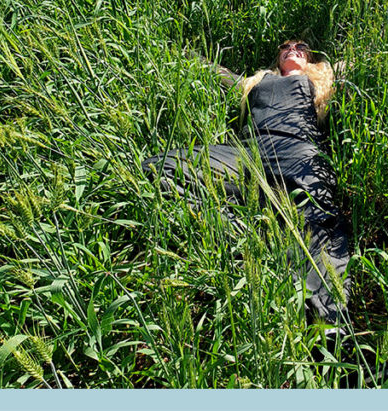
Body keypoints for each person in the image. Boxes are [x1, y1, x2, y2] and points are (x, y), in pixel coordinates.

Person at [142, 39, 352, 329]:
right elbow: (215, 70)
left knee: (317, 236)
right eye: (286, 46)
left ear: (312, 59)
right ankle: (248, 236)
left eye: (300, 46)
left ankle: (334, 337)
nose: (292, 48)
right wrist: (181, 49)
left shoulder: (323, 77)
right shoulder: (258, 81)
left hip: (298, 154)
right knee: (161, 167)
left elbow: (361, 57)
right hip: (246, 155)